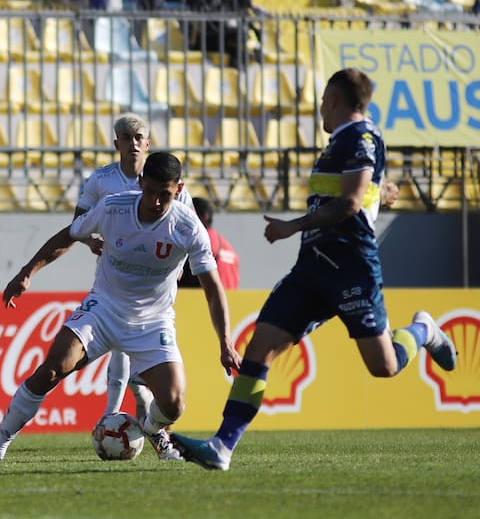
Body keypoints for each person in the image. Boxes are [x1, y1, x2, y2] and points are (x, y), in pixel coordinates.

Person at [169, 68, 458, 471]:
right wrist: (383, 193)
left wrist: (293, 225)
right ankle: (223, 446)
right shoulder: (342, 143)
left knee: (384, 366)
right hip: (312, 267)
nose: (320, 107)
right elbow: (366, 191)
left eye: (323, 100)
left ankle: (423, 329)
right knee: (259, 348)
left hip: (351, 265)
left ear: (333, 99)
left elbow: (350, 203)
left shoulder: (361, 138)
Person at [0, 152, 241, 465]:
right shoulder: (115, 208)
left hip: (152, 322)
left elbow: (213, 287)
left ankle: (150, 428)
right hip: (103, 310)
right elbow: (70, 234)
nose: (155, 202)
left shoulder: (188, 227)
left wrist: (225, 342)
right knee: (53, 367)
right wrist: (27, 272)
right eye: (150, 191)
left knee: (174, 404)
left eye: (164, 195)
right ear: (141, 182)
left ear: (178, 189)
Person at [73, 114, 193, 460]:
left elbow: (186, 229)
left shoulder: (168, 180)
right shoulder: (101, 182)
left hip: (155, 289)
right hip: (115, 281)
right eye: (126, 137)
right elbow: (77, 223)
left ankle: (132, 427)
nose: (133, 141)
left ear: (148, 142)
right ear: (117, 144)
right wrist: (91, 242)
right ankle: (141, 431)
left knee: (137, 370)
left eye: (139, 136)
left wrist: (180, 266)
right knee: (124, 357)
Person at [178, 197, 239, 289]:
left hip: (202, 299)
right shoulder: (227, 246)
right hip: (233, 299)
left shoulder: (201, 240)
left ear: (204, 217)